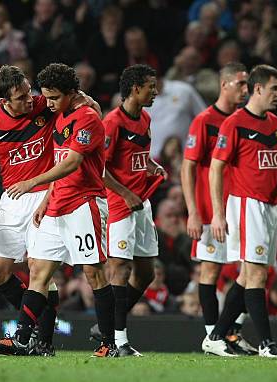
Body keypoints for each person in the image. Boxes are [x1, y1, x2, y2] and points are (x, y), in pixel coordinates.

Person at [0, 63, 116, 357]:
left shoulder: (88, 118)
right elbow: (59, 164)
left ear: (70, 93)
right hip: (57, 203)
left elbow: (70, 163)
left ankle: (109, 342)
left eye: (53, 98)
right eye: (46, 97)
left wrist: (33, 183)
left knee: (93, 273)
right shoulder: (60, 115)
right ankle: (22, 338)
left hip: (85, 202)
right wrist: (46, 200)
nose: (47, 103)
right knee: (39, 271)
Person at [0, 65, 65, 356]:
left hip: (47, 194)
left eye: (29, 91)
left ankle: (33, 340)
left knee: (37, 267)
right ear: (4, 101)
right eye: (20, 97)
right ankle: (41, 326)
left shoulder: (44, 104)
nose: (29, 100)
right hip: (13, 200)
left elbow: (80, 102)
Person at [202, 65, 277, 357]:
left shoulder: (274, 122)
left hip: (270, 206)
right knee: (256, 276)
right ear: (257, 89)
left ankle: (216, 336)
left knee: (247, 277)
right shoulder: (234, 123)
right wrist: (218, 213)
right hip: (246, 204)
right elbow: (216, 167)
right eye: (274, 88)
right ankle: (268, 343)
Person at [181, 62, 257, 354]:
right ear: (224, 84)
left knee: (249, 271)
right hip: (210, 210)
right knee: (210, 271)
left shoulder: (244, 120)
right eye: (241, 84)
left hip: (241, 207)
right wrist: (194, 212)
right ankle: (212, 336)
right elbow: (188, 167)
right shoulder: (204, 120)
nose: (246, 90)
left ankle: (231, 334)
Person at [101, 64, 166, 356]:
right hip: (119, 204)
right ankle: (118, 341)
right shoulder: (112, 123)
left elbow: (138, 155)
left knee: (146, 272)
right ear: (135, 88)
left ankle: (107, 325)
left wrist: (152, 166)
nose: (156, 91)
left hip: (141, 203)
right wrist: (125, 193)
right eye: (151, 86)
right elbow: (97, 169)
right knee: (120, 268)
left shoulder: (146, 118)